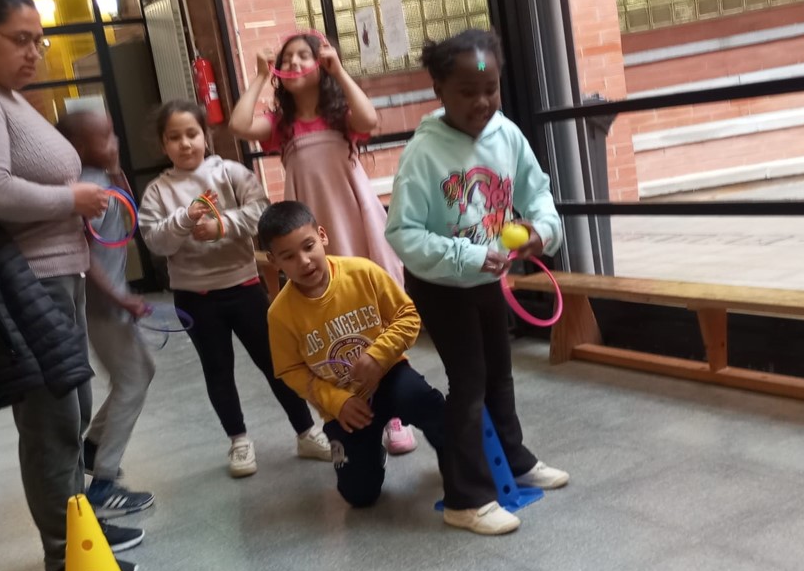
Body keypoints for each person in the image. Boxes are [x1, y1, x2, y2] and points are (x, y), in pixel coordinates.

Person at [0, 0, 143, 571]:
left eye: (39, 41)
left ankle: (79, 528)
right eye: (20, 40)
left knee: (69, 408)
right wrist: (73, 198)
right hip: (22, 280)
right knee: (51, 418)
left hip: (53, 272)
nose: (34, 52)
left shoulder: (4, 97)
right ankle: (65, 557)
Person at [384, 28, 570, 522]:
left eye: (491, 88)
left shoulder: (507, 135)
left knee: (499, 377)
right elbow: (402, 233)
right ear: (439, 90)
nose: (482, 101)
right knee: (468, 384)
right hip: (441, 287)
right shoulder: (423, 153)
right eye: (468, 91)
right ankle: (465, 498)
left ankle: (514, 459)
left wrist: (541, 231)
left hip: (488, 280)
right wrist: (467, 256)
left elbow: (537, 193)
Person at [260, 201, 520, 533]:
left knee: (432, 410)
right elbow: (290, 371)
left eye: (308, 246)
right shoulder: (280, 314)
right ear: (274, 261)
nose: (304, 261)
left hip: (390, 375)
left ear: (322, 236)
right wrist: (336, 402)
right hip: (346, 406)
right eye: (288, 256)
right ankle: (372, 449)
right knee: (359, 495)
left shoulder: (362, 272)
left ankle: (464, 479)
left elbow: (408, 316)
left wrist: (379, 355)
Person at [228, 32, 417, 456]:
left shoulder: (338, 115)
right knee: (330, 325)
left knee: (370, 311)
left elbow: (369, 120)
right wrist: (258, 76)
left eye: (304, 56)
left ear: (320, 64)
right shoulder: (281, 126)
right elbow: (239, 125)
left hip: (352, 218)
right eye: (286, 59)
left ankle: (394, 415)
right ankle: (343, 412)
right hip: (308, 232)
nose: (294, 63)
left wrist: (340, 70)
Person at [138, 100, 331, 477]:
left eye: (192, 134)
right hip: (194, 297)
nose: (185, 143)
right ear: (163, 145)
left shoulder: (230, 172)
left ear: (206, 136)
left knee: (275, 363)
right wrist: (184, 219)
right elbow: (155, 241)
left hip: (243, 287)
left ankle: (306, 431)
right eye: (174, 138)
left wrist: (222, 225)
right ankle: (238, 440)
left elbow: (261, 211)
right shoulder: (158, 191)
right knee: (217, 371)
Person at [56, 111, 157, 519]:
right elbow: (84, 256)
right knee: (133, 381)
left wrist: (115, 166)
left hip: (111, 300)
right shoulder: (88, 188)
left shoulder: (101, 178)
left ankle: (94, 446)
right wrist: (120, 297)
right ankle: (103, 482)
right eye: (105, 137)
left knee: (141, 372)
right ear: (81, 147)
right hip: (101, 305)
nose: (114, 141)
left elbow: (128, 206)